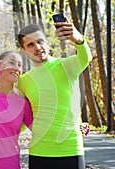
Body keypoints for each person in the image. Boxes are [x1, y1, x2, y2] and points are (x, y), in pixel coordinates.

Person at [17, 16, 92, 169]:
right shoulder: (23, 81)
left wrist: (78, 40)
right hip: (40, 151)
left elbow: (85, 57)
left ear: (47, 42)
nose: (37, 48)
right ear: (23, 51)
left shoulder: (67, 66)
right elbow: (23, 119)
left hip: (71, 149)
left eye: (40, 41)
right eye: (31, 45)